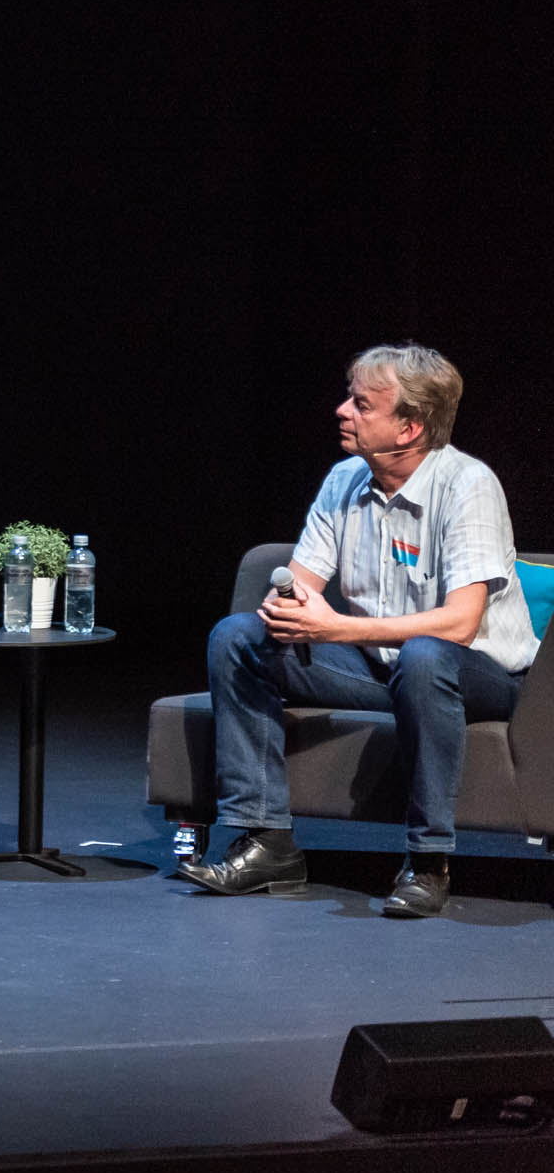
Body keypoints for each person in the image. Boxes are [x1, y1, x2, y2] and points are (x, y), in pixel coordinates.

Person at [179, 344, 536, 916]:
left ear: (409, 429)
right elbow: (299, 583)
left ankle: (428, 862)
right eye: (351, 398)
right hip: (382, 669)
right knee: (238, 639)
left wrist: (335, 626)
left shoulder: (468, 485)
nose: (343, 411)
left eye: (362, 405)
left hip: (479, 677)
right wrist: (287, 606)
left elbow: (462, 624)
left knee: (425, 656)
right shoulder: (345, 479)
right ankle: (266, 842)